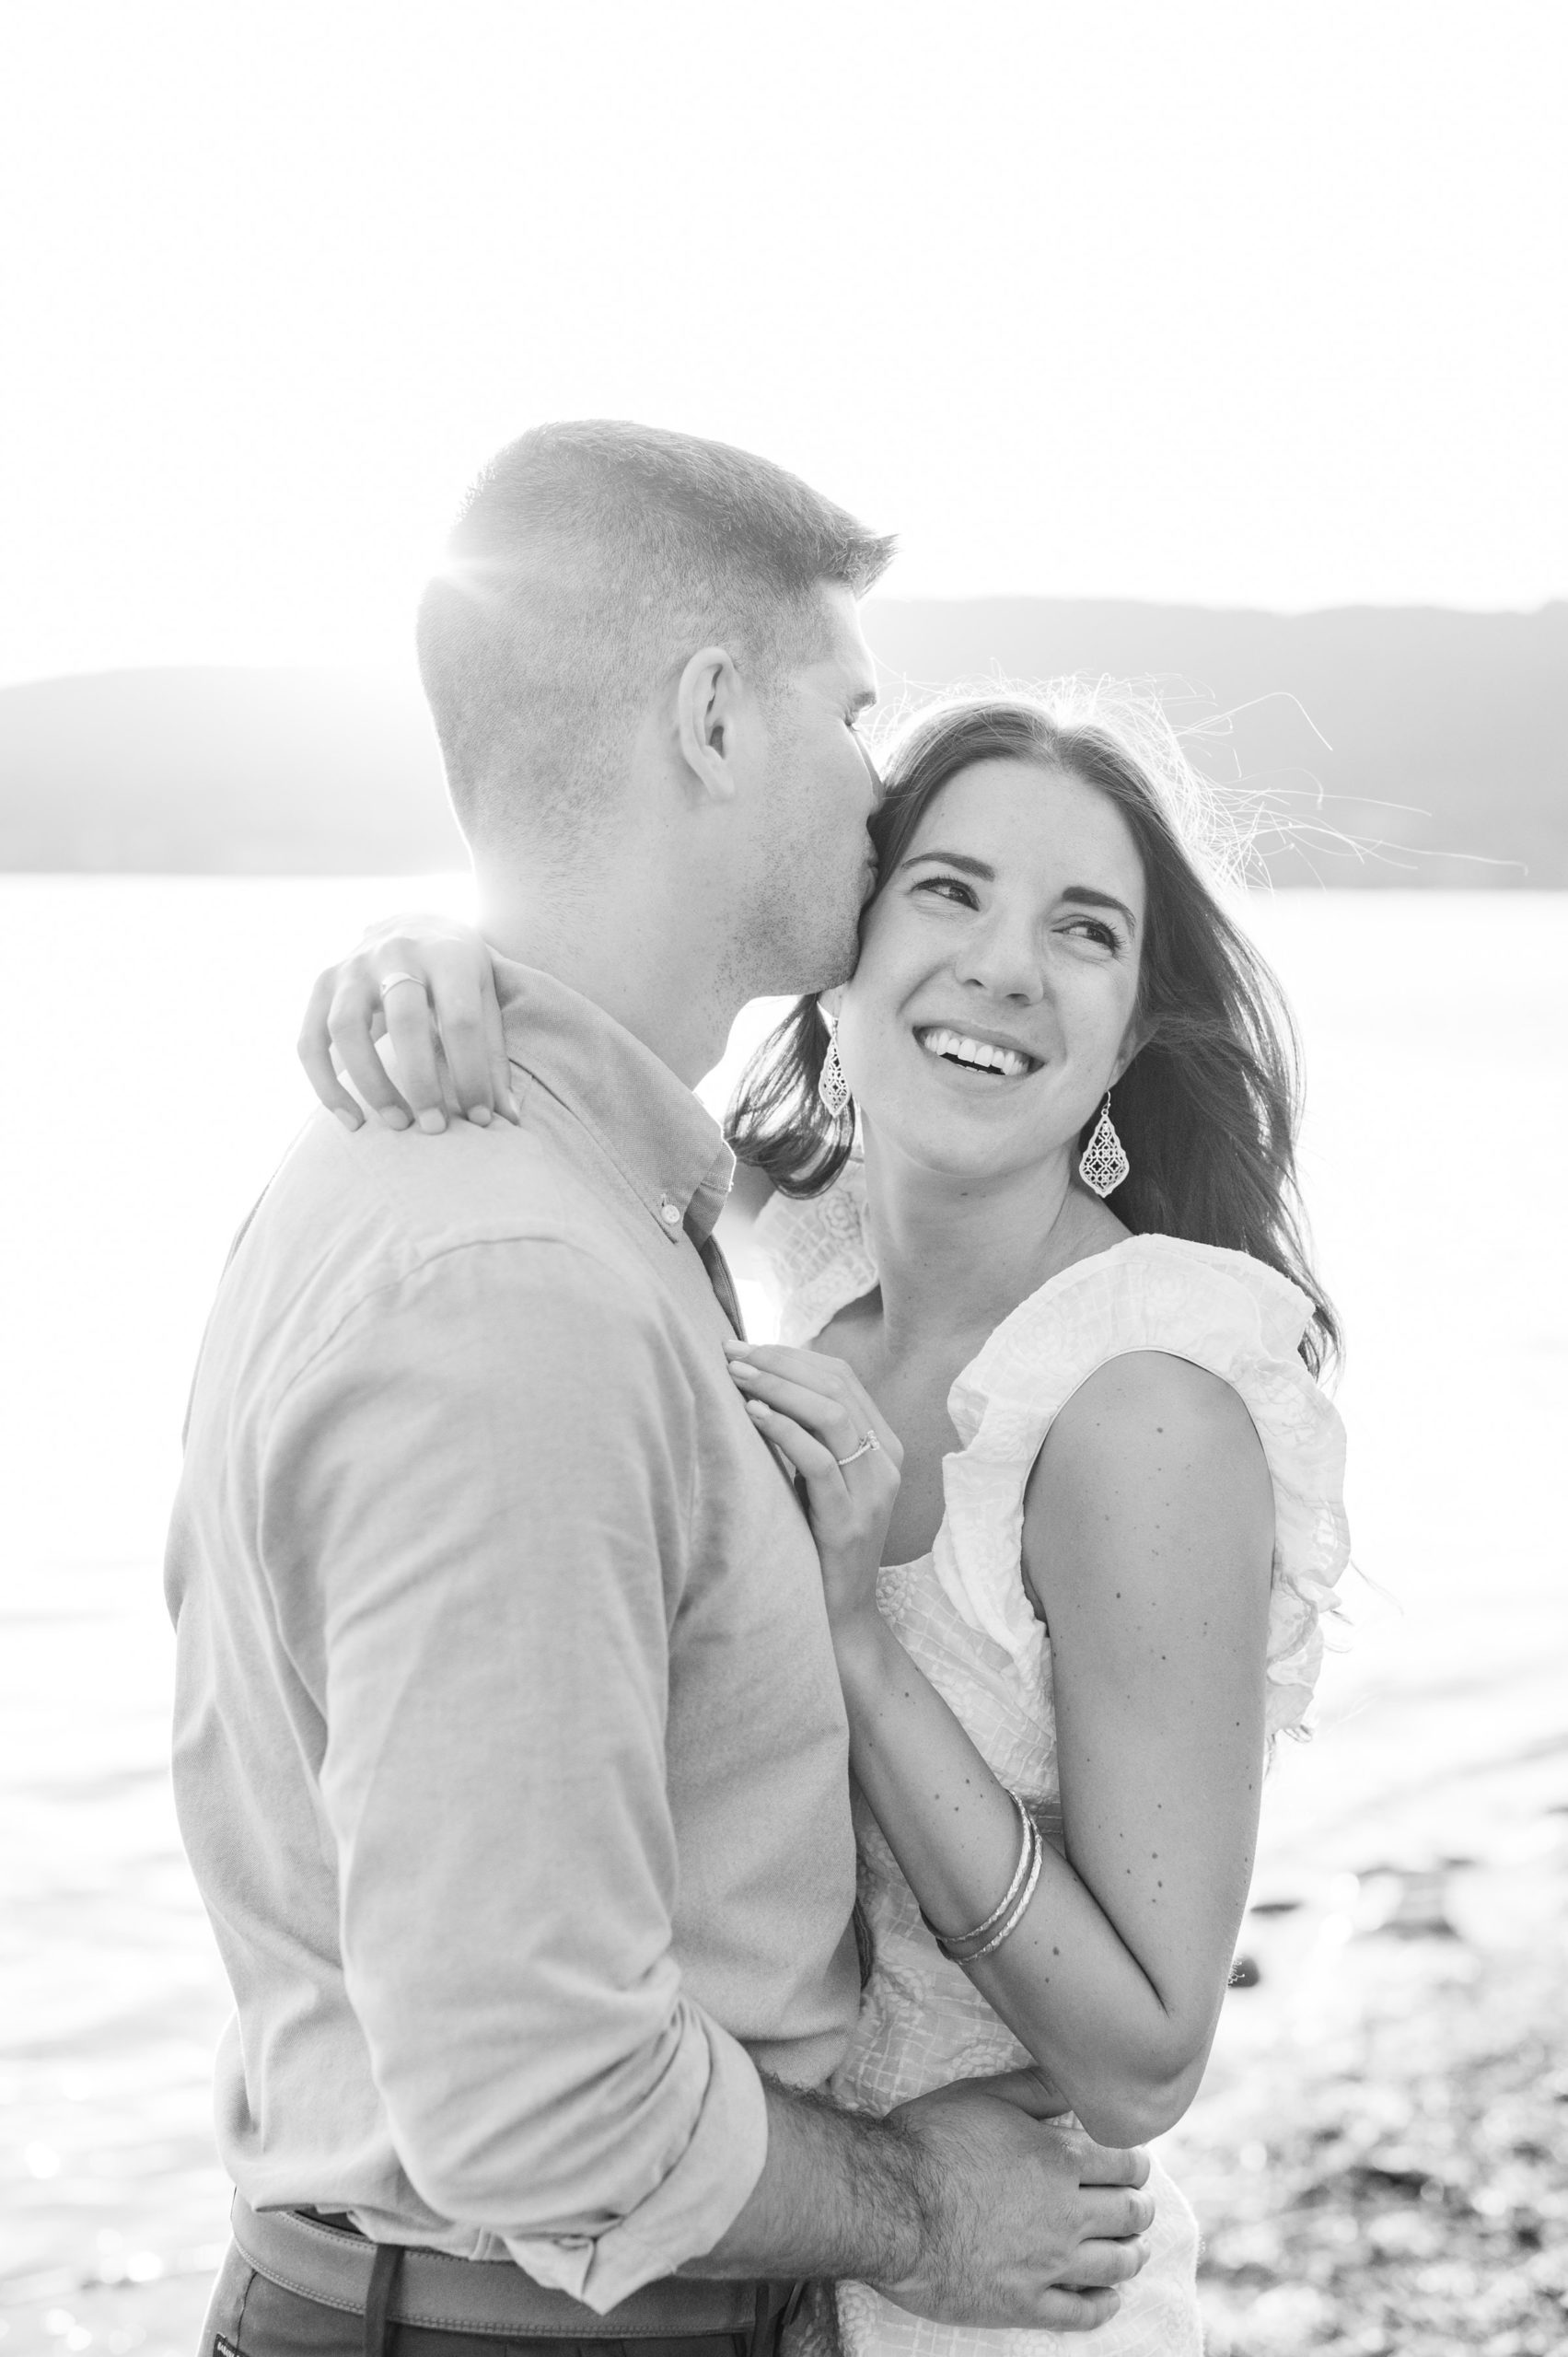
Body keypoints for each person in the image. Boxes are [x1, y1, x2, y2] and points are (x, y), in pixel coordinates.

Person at [168, 421, 1156, 2357]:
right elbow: (539, 2094)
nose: (875, 790)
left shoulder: (581, 1191)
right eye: (846, 710)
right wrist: (926, 2211)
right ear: (712, 712)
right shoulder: (513, 1288)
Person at [301, 681, 1349, 2357]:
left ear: (1135, 1033)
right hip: (766, 2254)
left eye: (1083, 930)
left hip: (996, 2293)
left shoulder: (1145, 1406)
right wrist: (417, 956)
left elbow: (1147, 2058)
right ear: (841, 950)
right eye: (949, 889)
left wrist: (855, 1638)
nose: (1005, 963)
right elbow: (592, 1023)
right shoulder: (784, 1264)